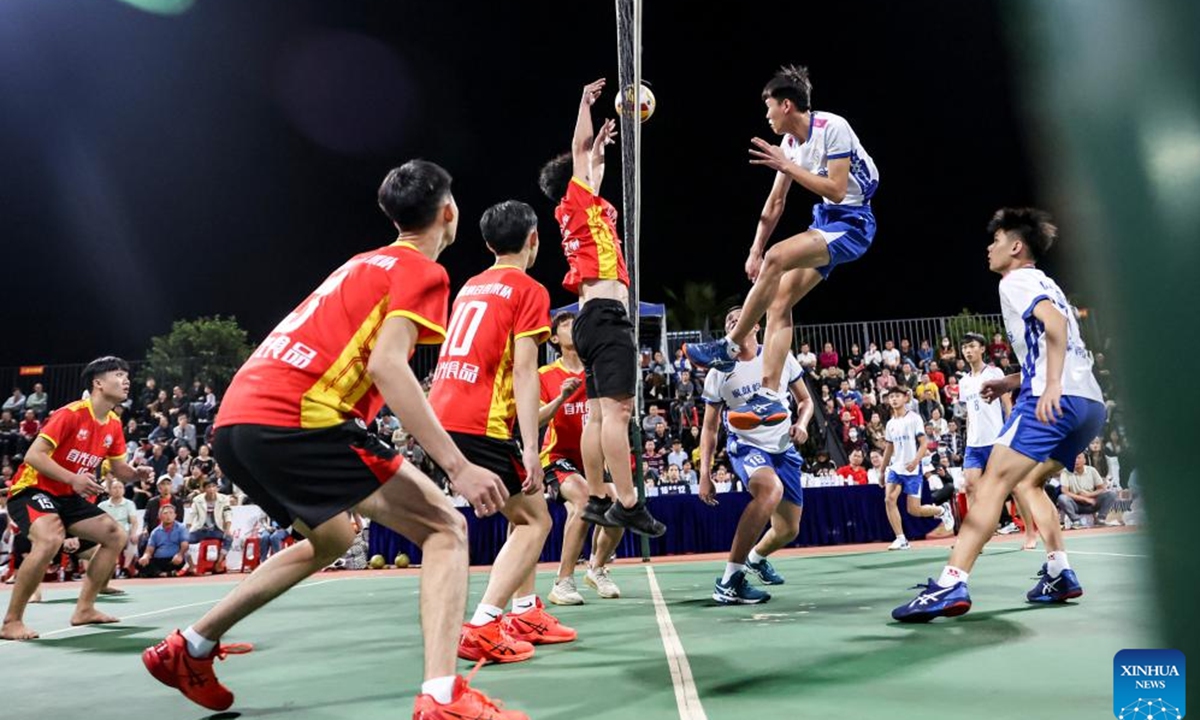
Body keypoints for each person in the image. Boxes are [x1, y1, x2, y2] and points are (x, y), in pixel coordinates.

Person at [140, 161, 524, 719]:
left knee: (335, 537)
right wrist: (457, 465)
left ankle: (190, 646)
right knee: (446, 527)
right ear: (449, 213)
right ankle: (442, 699)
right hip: (296, 417)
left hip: (237, 422)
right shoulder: (424, 272)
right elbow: (392, 369)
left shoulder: (362, 262)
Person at [893, 208, 1106, 623]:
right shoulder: (1048, 283)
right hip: (1089, 405)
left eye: (996, 241)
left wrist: (1052, 385)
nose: (989, 249)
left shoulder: (1017, 280)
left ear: (1016, 246)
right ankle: (1060, 572)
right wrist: (1011, 382)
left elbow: (1057, 326)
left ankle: (951, 581)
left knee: (992, 483)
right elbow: (1053, 338)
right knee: (1029, 483)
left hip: (1054, 400)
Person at [686, 65, 880, 430]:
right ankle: (770, 397)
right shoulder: (791, 146)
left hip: (854, 222)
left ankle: (729, 347)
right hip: (827, 219)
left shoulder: (832, 128)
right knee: (779, 300)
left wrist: (787, 166)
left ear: (787, 105)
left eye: (769, 107)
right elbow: (775, 204)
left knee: (779, 257)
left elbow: (837, 190)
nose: (767, 115)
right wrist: (754, 249)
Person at [427, 199, 577, 663]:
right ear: (533, 240)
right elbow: (526, 371)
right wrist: (532, 448)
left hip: (443, 414)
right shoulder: (528, 289)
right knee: (538, 520)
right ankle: (484, 624)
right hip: (481, 421)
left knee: (523, 515)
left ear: (490, 243)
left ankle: (526, 609)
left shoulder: (472, 285)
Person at [538, 78, 665, 537]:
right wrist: (585, 104)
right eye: (586, 168)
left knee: (595, 415)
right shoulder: (576, 200)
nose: (592, 166)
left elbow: (592, 159)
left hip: (591, 318)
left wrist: (601, 150)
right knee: (618, 414)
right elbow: (580, 145)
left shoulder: (582, 211)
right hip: (607, 317)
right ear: (571, 181)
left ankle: (595, 496)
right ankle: (628, 503)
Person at [3, 357, 152, 640]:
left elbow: (119, 469)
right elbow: (34, 456)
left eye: (126, 376)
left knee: (115, 535)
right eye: (118, 375)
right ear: (98, 383)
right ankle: (11, 621)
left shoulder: (114, 423)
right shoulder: (70, 414)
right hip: (33, 489)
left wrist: (137, 474)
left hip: (68, 495)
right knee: (49, 538)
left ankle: (84, 609)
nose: (126, 380)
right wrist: (73, 478)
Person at [699, 306, 813, 604]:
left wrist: (801, 424)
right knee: (769, 491)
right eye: (729, 320)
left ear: (756, 326)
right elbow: (709, 428)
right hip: (747, 446)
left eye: (741, 317)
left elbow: (806, 401)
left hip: (783, 448)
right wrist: (705, 474)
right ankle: (729, 581)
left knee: (788, 529)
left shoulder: (778, 355)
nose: (735, 321)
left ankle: (756, 557)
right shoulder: (719, 370)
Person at [539, 313, 625, 605]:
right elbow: (534, 418)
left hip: (593, 459)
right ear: (553, 338)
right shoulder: (545, 375)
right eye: (565, 325)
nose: (572, 328)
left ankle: (597, 568)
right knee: (584, 501)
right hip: (558, 456)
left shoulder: (597, 372)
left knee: (621, 505)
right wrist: (560, 399)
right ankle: (563, 582)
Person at [879, 387, 954, 550]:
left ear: (905, 398)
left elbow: (924, 444)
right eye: (891, 396)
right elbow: (889, 448)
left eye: (897, 396)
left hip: (913, 470)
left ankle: (941, 510)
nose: (894, 399)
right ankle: (901, 539)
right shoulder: (890, 423)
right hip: (896, 468)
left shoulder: (914, 419)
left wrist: (915, 461)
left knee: (914, 510)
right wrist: (881, 470)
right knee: (889, 500)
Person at [137, 503, 189, 577]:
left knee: (181, 562)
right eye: (165, 513)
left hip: (174, 559)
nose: (168, 515)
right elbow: (149, 549)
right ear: (159, 516)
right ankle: (164, 573)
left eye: (171, 513)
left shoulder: (181, 528)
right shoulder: (155, 532)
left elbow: (185, 544)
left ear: (175, 515)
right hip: (159, 559)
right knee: (140, 563)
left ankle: (158, 573)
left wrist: (180, 554)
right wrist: (145, 556)